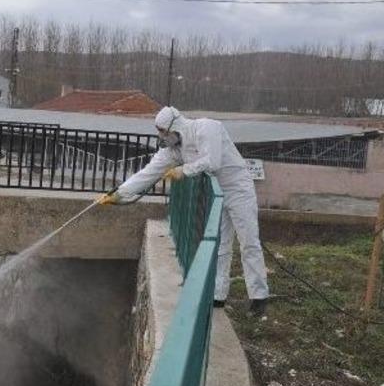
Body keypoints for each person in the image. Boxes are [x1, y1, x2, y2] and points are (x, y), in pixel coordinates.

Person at [96, 106, 269, 317]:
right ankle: (218, 295)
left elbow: (213, 162)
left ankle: (259, 297)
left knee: (249, 242)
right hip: (218, 196)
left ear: (174, 127)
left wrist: (184, 170)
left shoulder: (207, 128)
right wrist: (119, 193)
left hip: (238, 189)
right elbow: (149, 172)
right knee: (221, 245)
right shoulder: (175, 149)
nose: (163, 138)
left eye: (164, 132)